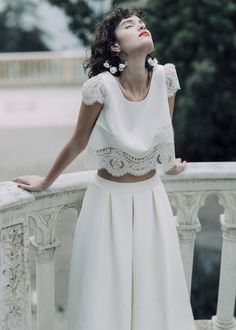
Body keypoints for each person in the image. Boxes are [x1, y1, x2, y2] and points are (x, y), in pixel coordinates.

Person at [12, 6, 196, 330]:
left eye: (142, 23)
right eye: (130, 25)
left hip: (152, 200)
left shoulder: (166, 78)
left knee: (153, 289)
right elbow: (77, 142)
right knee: (104, 292)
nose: (141, 26)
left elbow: (163, 131)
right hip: (108, 204)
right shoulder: (100, 87)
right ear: (115, 46)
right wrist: (45, 181)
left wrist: (169, 163)